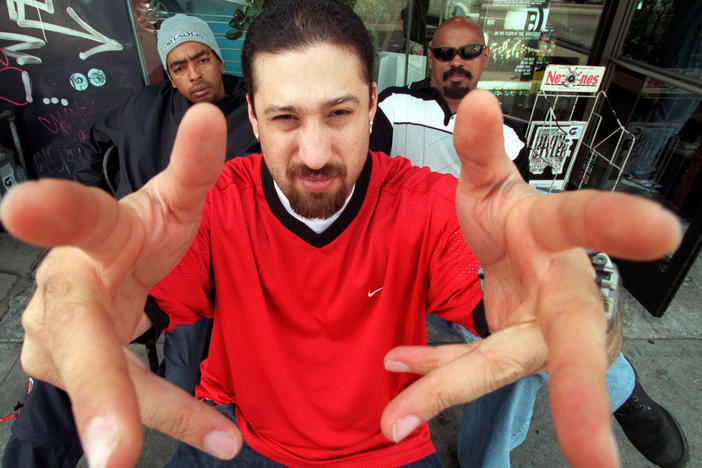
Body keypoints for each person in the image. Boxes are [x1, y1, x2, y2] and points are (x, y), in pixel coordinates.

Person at [0, 0, 682, 467]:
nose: (318, 152)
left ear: (373, 108)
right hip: (239, 436)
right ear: (255, 119)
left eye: (340, 113)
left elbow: (514, 291)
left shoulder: (424, 201)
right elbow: (131, 301)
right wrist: (88, 304)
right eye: (288, 119)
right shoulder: (216, 206)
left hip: (388, 445)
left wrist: (580, 297)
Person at [370, 16, 688, 468]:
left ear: (484, 58)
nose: (455, 62)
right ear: (429, 58)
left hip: (477, 269)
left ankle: (498, 454)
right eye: (444, 53)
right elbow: (371, 190)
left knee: (530, 334)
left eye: (467, 52)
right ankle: (620, 386)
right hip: (410, 264)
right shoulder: (394, 106)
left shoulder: (510, 134)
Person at [1, 14, 258, 468]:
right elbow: (94, 145)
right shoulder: (144, 107)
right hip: (133, 260)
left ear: (220, 60)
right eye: (179, 66)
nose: (194, 74)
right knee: (67, 356)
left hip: (206, 280)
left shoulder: (253, 111)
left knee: (186, 398)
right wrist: (103, 207)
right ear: (169, 74)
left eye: (202, 59)